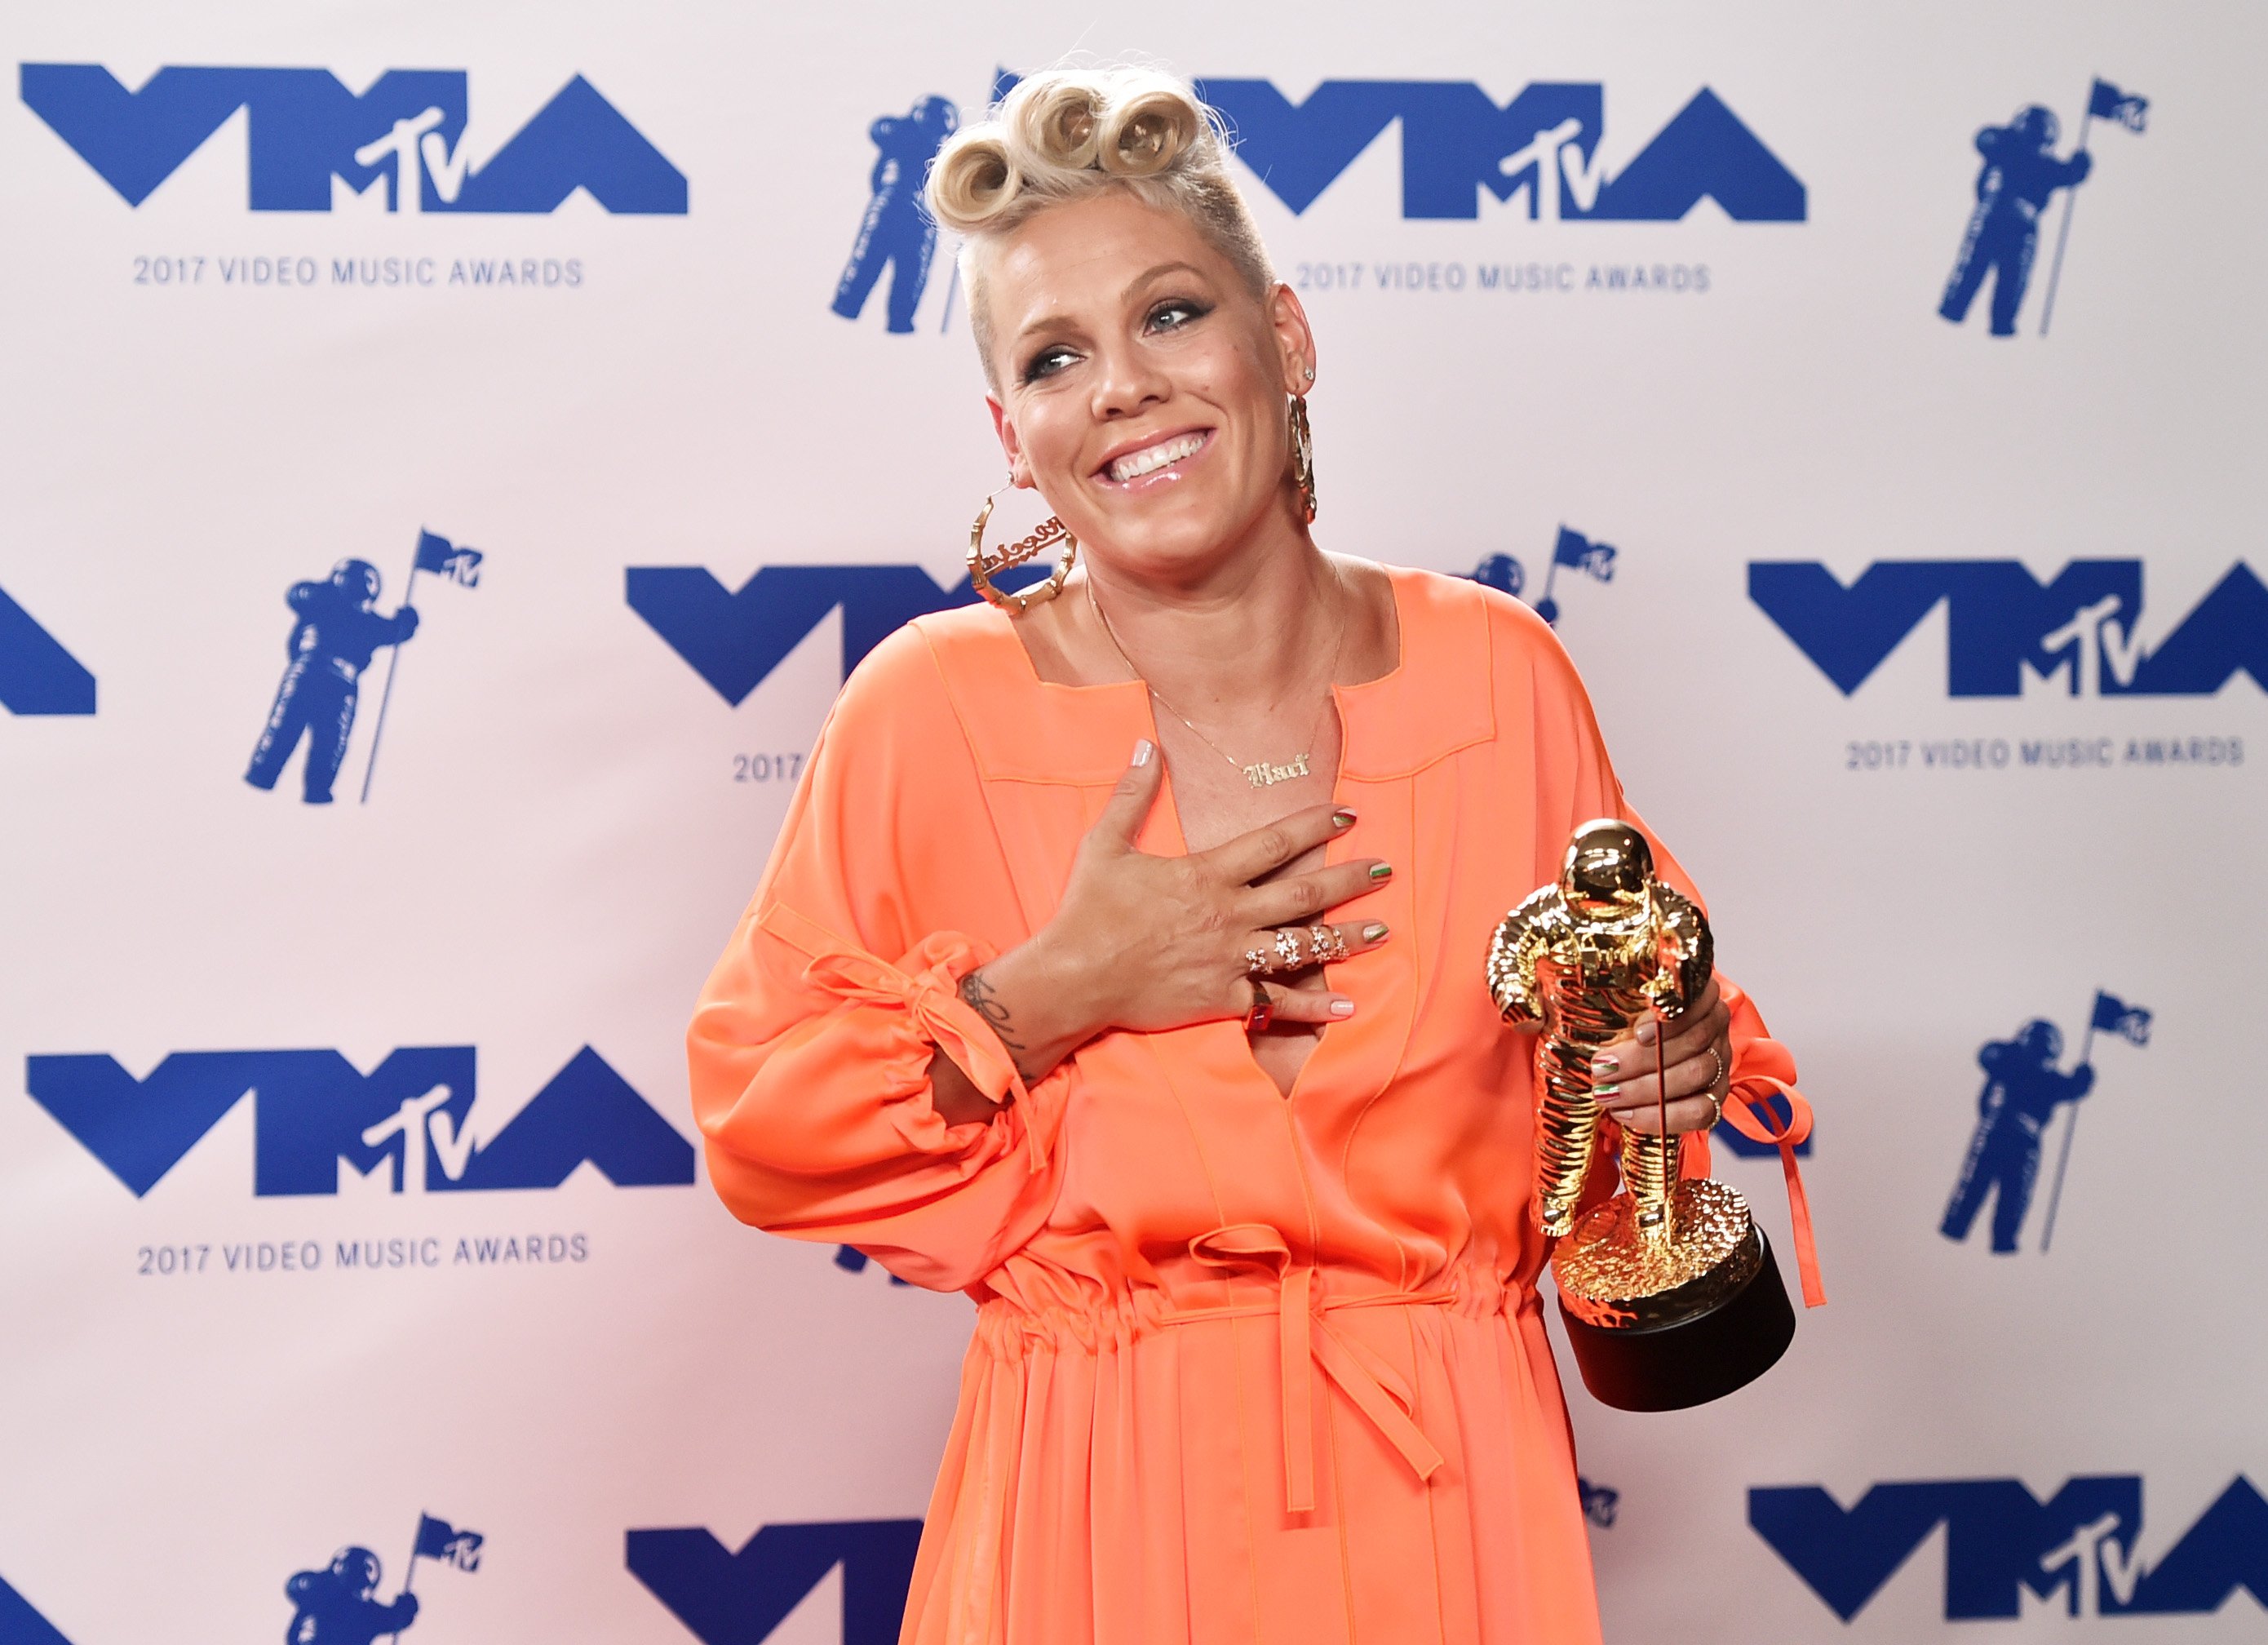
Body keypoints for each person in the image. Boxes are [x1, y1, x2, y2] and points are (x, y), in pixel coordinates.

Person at [689, 64, 1811, 1644]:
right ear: (1014, 436)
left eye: (1167, 315)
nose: (1124, 388)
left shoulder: (1502, 678)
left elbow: (1619, 1075)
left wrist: (1658, 1070)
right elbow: (763, 1129)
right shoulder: (926, 714)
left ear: (1283, 337)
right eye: (1057, 357)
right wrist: (1051, 993)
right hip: (1087, 1522)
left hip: (1451, 1512)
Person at [245, 558, 419, 804]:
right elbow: (297, 595)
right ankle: (271, 779)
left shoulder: (359, 617)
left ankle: (285, 782)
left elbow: (395, 632)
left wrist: (406, 622)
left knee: (322, 739)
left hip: (330, 678)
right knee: (301, 732)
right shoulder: (324, 602)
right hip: (316, 671)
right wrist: (406, 622)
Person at [1942, 1018, 2093, 1253]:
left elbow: (2073, 1088)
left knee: (2010, 1197)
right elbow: (1987, 1055)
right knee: (1981, 1189)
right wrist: (2082, 1077)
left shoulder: (2038, 1074)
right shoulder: (2010, 1062)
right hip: (2001, 1131)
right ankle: (1964, 1233)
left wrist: (2083, 1077)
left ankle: (1994, 1241)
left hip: (2017, 1138)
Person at [1938, 104, 2092, 338]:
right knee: (1977, 271)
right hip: (1997, 218)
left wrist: (2079, 166)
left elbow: (2068, 175)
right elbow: (1984, 139)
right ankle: (1961, 314)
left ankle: (1992, 323)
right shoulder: (2006, 148)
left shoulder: (2039, 162)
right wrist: (2078, 166)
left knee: (2008, 280)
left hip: (2015, 224)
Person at [283, 1547, 418, 1643]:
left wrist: (405, 1609)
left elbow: (395, 1619)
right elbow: (395, 1619)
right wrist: (405, 1610)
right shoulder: (319, 1601)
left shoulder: (365, 1611)